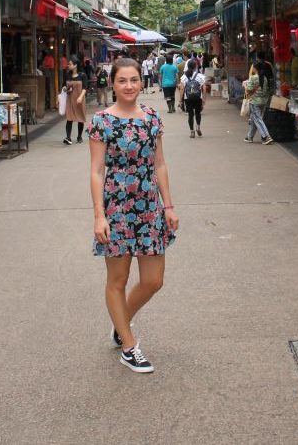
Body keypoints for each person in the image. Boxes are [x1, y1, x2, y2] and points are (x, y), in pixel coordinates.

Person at [88, 58, 178, 374]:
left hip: (149, 204)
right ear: (112, 84)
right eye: (122, 80)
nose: (129, 86)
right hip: (116, 207)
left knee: (154, 280)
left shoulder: (152, 118)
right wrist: (99, 215)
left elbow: (161, 164)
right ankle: (129, 346)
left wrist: (168, 206)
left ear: (142, 82)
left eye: (134, 80)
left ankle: (120, 321)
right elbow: (97, 171)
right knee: (118, 279)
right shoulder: (101, 121)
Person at [243, 63, 273, 144]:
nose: (252, 69)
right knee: (254, 118)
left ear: (255, 69)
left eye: (253, 67)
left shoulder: (253, 78)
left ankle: (266, 137)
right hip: (263, 101)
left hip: (254, 101)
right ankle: (250, 136)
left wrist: (244, 85)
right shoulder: (265, 78)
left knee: (258, 119)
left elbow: (249, 89)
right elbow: (267, 91)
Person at [61, 56, 87, 144]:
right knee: (69, 118)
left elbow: (84, 88)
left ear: (75, 65)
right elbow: (64, 85)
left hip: (79, 99)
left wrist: (80, 97)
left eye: (70, 64)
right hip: (70, 99)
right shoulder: (68, 74)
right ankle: (68, 137)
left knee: (80, 118)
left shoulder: (82, 75)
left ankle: (79, 137)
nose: (68, 65)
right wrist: (65, 88)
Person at [179, 58, 205, 138]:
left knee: (190, 115)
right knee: (198, 113)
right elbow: (204, 88)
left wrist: (180, 100)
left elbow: (182, 88)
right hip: (198, 98)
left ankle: (192, 131)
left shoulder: (184, 77)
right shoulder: (200, 76)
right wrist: (204, 99)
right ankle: (198, 127)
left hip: (188, 98)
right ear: (195, 66)